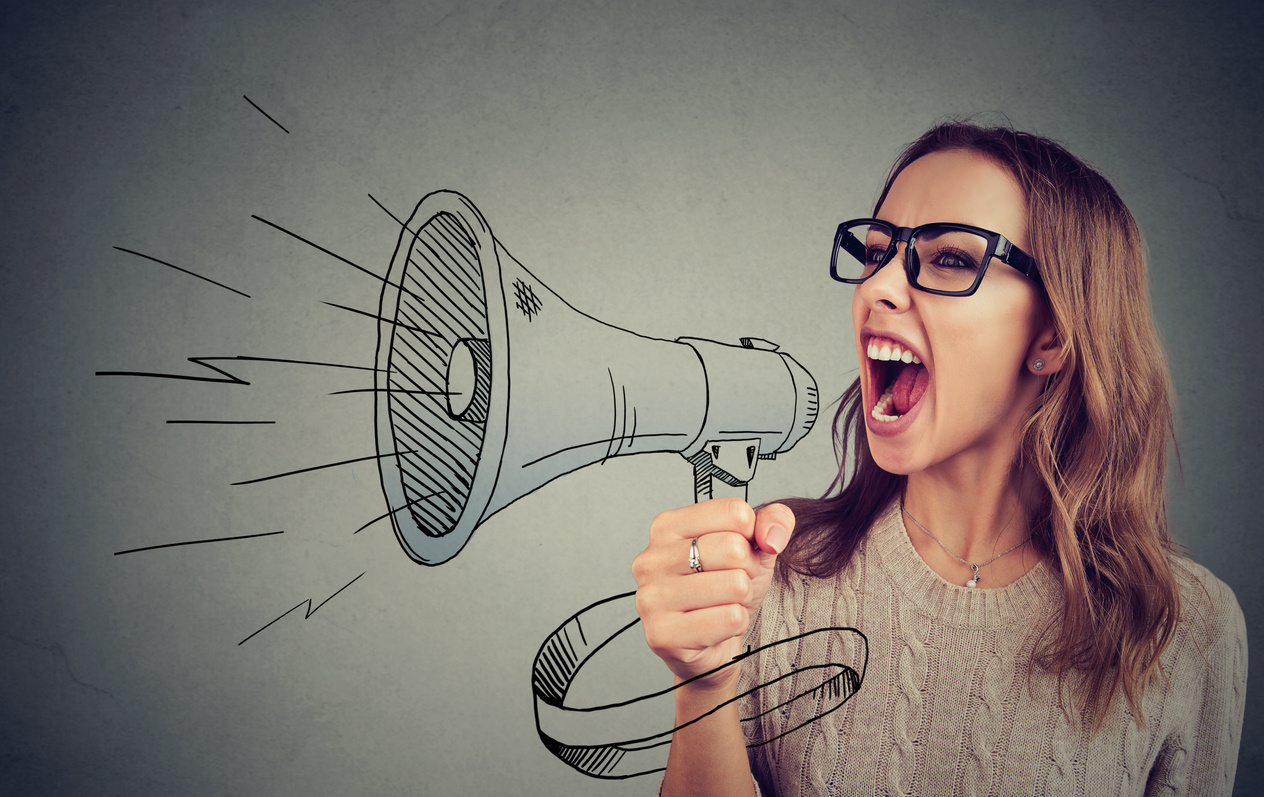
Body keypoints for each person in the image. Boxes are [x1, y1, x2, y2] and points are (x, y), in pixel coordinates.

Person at [631, 121, 1247, 796]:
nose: (879, 287)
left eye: (951, 258)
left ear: (1053, 336)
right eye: (877, 253)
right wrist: (703, 684)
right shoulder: (770, 579)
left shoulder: (1189, 628)